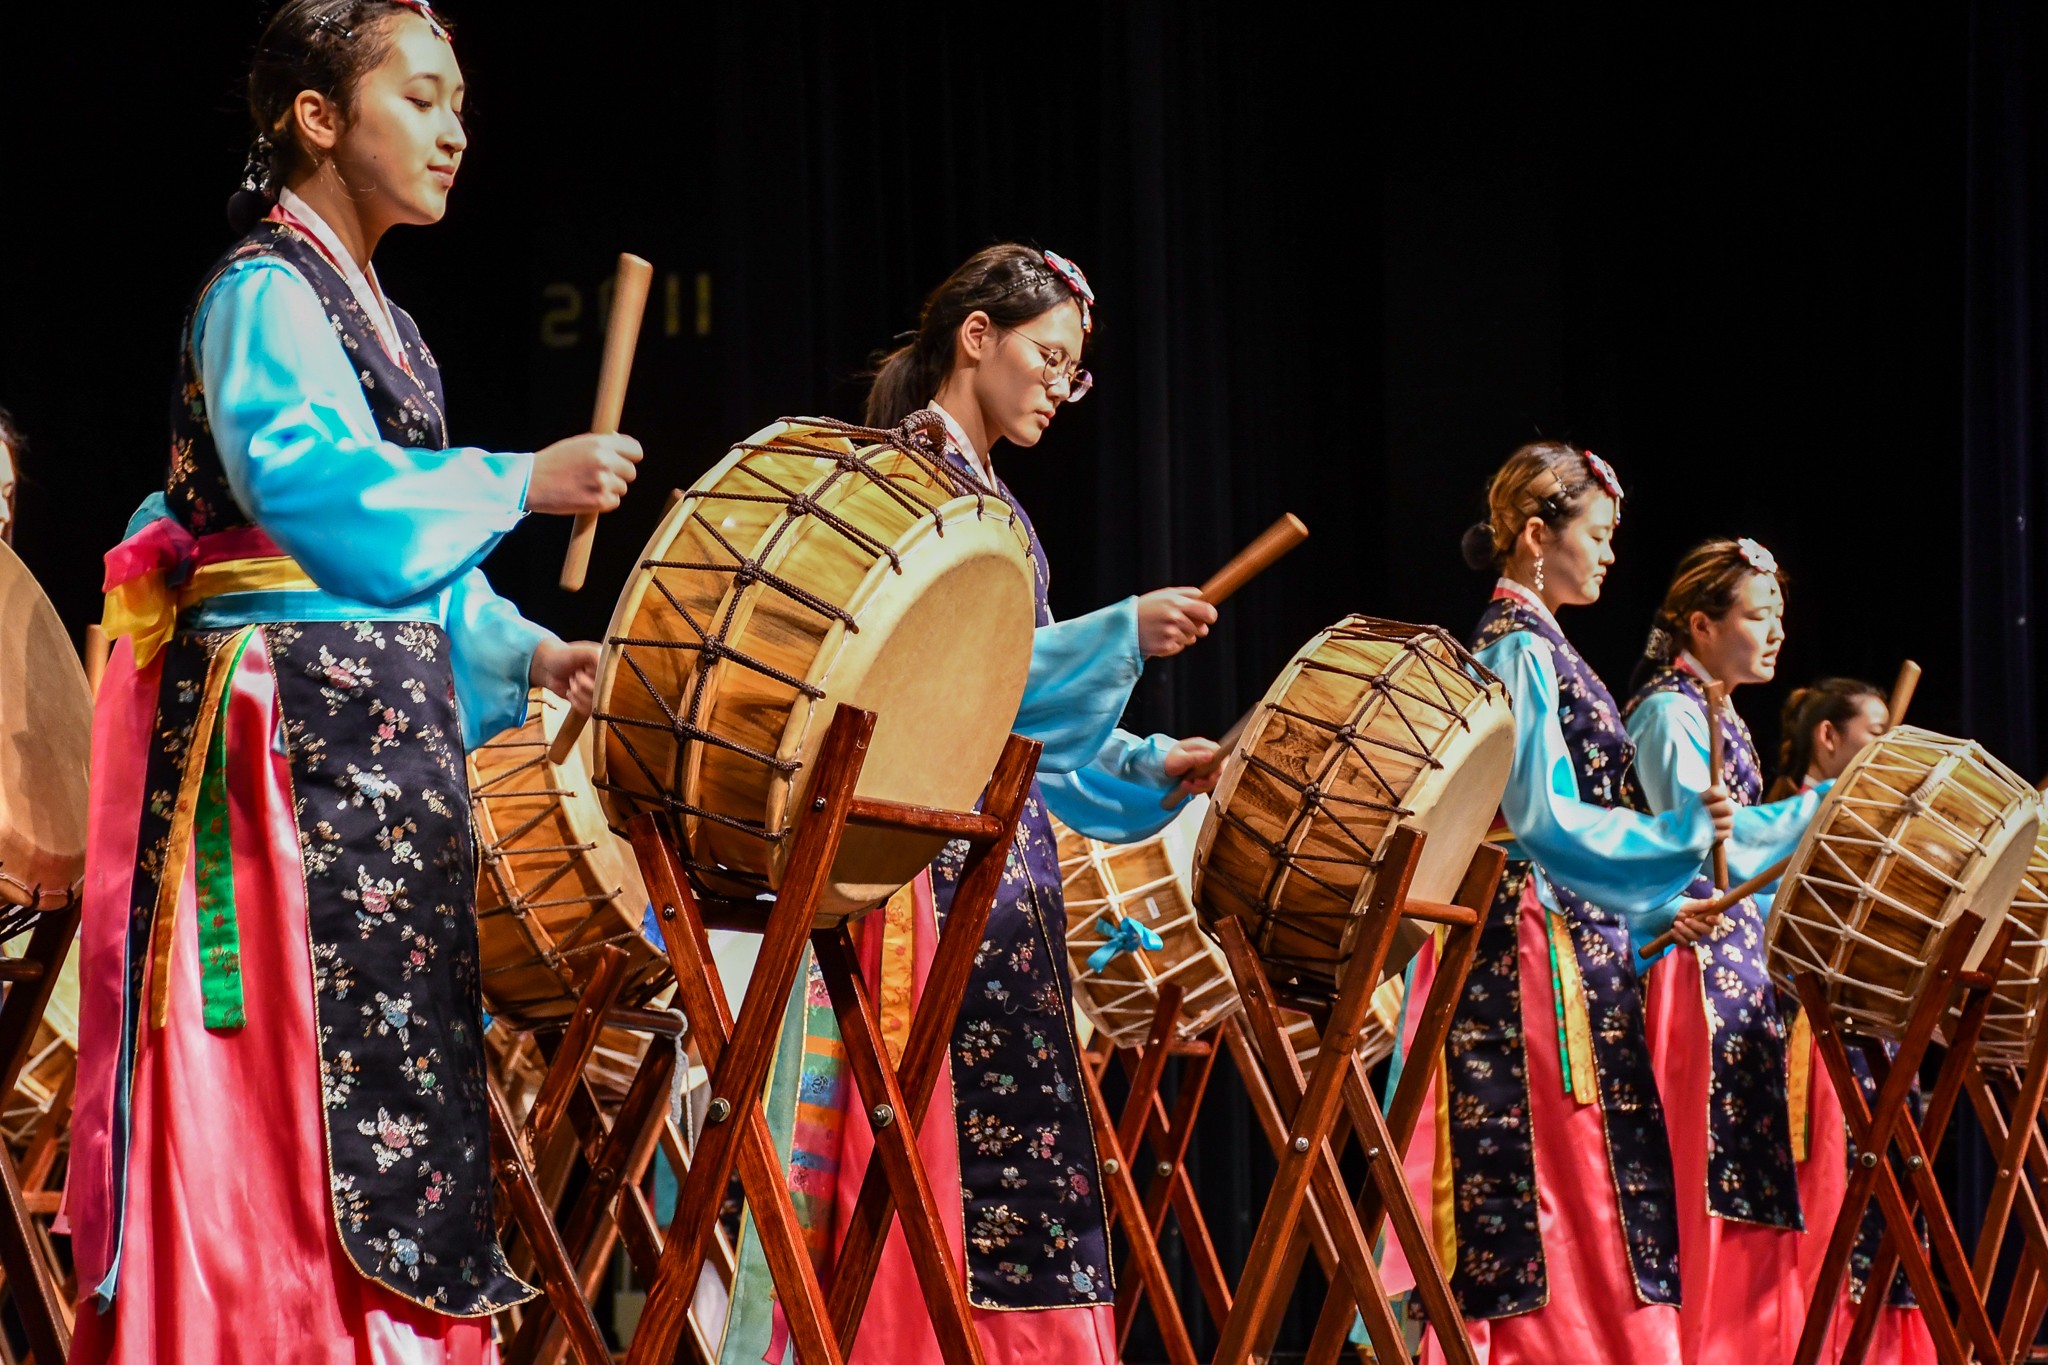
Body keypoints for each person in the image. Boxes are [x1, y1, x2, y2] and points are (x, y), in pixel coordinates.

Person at [69, 4, 642, 1359]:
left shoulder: (396, 326)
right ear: (317, 118)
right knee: (280, 1067)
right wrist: (516, 478)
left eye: (461, 106)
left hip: (381, 745)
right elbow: (312, 491)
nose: (455, 133)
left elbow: (414, 576)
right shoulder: (262, 288)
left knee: (389, 1068)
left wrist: (525, 651)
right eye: (423, 99)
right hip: (279, 747)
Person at [713, 245, 1220, 1365]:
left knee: (1016, 1148)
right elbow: (937, 690)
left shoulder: (990, 503)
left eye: (1075, 371)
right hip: (916, 861)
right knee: (931, 1140)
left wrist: (1143, 764)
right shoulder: (903, 481)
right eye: (1049, 357)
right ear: (976, 337)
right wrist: (1116, 633)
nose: (1059, 387)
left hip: (996, 857)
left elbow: (1014, 723)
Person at [1389, 441, 1734, 1365]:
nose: (1612, 553)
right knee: (1555, 1160)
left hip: (1570, 935)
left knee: (1595, 1160)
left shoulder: (1542, 642)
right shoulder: (1515, 644)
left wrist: (1654, 912)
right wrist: (1676, 838)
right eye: (1600, 533)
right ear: (1539, 536)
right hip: (1526, 942)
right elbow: (1540, 815)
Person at [1623, 537, 1829, 1365]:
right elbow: (1708, 853)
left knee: (1745, 1173)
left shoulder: (1717, 709)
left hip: (1733, 965)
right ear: (1702, 625)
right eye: (1757, 614)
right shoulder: (1667, 712)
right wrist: (1822, 807)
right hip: (1688, 964)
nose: (1775, 632)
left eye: (1779, 615)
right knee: (1697, 1171)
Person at [1774, 680, 1935, 1362]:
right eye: (1875, 732)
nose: (1887, 747)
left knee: (1889, 1193)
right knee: (1833, 1190)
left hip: (1877, 1025)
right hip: (1815, 1029)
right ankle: (1823, 1343)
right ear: (1828, 737)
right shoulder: (1787, 818)